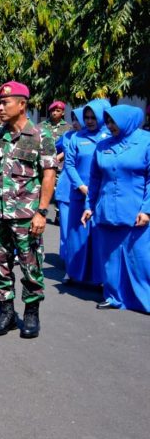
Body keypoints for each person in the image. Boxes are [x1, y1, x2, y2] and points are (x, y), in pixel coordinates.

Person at [0, 81, 57, 339]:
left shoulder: (41, 136)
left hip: (26, 215)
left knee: (30, 266)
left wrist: (41, 212)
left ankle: (31, 314)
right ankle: (7, 313)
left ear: (22, 104)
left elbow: (48, 175)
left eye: (5, 103)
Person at [82, 105, 150, 313]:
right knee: (109, 258)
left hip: (135, 210)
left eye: (114, 122)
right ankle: (113, 296)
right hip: (106, 209)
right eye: (108, 122)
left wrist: (147, 209)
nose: (110, 126)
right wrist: (89, 206)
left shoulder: (146, 142)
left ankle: (144, 298)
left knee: (139, 257)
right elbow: (94, 179)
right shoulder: (102, 145)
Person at [64, 99, 110, 285]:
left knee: (99, 237)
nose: (89, 121)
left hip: (100, 194)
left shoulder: (109, 137)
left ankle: (99, 277)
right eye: (87, 117)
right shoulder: (77, 137)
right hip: (79, 193)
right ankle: (73, 272)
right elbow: (69, 164)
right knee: (77, 234)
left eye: (93, 117)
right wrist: (81, 186)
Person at [54, 107, 83, 268]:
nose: (75, 123)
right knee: (66, 227)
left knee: (81, 229)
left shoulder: (97, 138)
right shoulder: (67, 136)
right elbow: (53, 149)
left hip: (85, 187)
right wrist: (57, 157)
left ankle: (81, 261)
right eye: (74, 119)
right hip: (66, 187)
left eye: (79, 119)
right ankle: (67, 259)